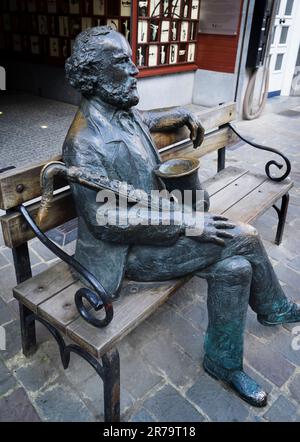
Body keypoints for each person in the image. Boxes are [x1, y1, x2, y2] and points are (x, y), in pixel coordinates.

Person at [63, 27, 300, 408]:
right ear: (94, 75)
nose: (135, 70)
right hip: (125, 254)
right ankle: (274, 308)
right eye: (123, 63)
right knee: (244, 236)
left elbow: (146, 120)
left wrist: (180, 113)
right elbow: (105, 219)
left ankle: (222, 361)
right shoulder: (85, 141)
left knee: (235, 268)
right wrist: (190, 222)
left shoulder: (120, 111)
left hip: (156, 227)